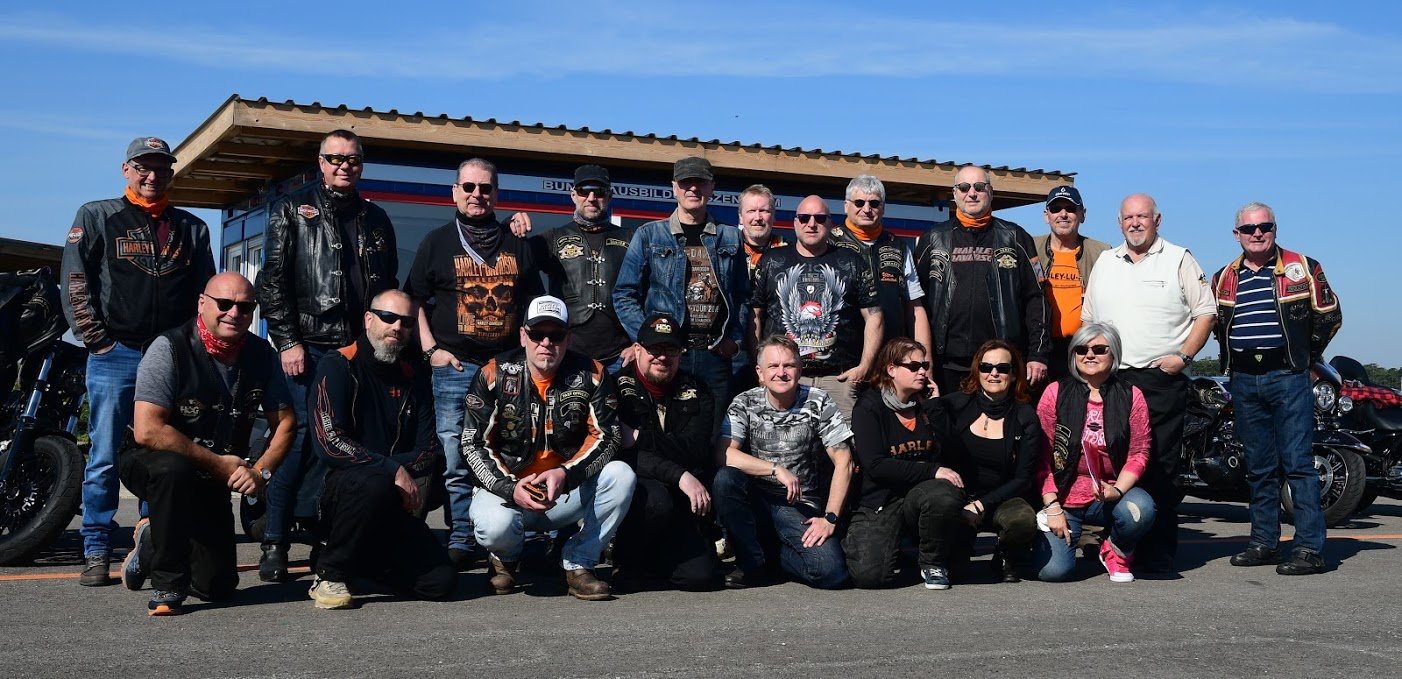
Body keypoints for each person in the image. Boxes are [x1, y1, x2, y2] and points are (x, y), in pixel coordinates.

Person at [61, 136, 216, 586]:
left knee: (163, 448)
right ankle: (95, 546)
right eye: (143, 167)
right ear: (126, 170)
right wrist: (97, 340)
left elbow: (204, 293)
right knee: (105, 453)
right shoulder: (97, 215)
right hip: (116, 353)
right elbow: (75, 278)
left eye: (161, 168)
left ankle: (150, 537)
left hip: (170, 357)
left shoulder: (191, 227)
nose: (152, 176)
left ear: (171, 173)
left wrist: (194, 347)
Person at [254, 128, 401, 582]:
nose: (344, 166)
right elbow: (271, 281)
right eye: (335, 158)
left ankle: (329, 540)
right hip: (311, 346)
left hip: (359, 350)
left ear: (361, 164)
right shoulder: (291, 209)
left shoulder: (376, 218)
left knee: (348, 444)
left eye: (352, 159)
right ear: (321, 163)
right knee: (298, 440)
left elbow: (388, 286)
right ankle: (274, 541)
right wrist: (287, 341)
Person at [118, 273, 294, 615]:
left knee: (218, 586)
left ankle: (154, 540)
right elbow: (148, 430)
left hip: (212, 473)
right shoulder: (169, 348)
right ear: (202, 303)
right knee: (173, 469)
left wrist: (260, 472)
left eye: (245, 307)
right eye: (224, 304)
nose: (234, 313)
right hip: (151, 462)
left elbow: (286, 423)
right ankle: (168, 585)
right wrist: (217, 463)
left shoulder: (262, 355)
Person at [405, 157, 544, 570]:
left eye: (485, 188)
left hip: (507, 368)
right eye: (468, 187)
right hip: (455, 367)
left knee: (513, 447)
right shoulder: (436, 242)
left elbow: (534, 306)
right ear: (455, 192)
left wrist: (527, 357)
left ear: (496, 194)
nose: (476, 195)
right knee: (456, 456)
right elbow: (414, 300)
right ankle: (462, 537)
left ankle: (515, 533)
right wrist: (431, 350)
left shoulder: (516, 241)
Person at [462, 296, 633, 601]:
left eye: (555, 335)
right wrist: (510, 487)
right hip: (510, 490)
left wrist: (566, 474)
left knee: (621, 475)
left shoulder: (592, 373)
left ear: (568, 338)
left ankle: (579, 563)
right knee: (494, 526)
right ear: (522, 336)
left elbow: (608, 437)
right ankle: (505, 559)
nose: (546, 343)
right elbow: (472, 443)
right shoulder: (493, 373)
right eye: (537, 334)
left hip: (564, 493)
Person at [1082, 193, 1215, 574]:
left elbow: (1206, 313)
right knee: (1111, 462)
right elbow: (1089, 319)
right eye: (1128, 218)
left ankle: (1157, 551)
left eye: (1142, 216)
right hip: (1112, 378)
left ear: (1157, 220)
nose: (1135, 223)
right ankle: (1116, 543)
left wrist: (1183, 357)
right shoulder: (1106, 262)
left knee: (1159, 465)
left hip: (1160, 379)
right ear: (1119, 222)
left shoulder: (1179, 258)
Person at [1211, 202, 1342, 576]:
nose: (1257, 233)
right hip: (1243, 378)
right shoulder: (1223, 277)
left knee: (1298, 464)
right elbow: (1216, 325)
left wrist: (1303, 357)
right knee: (1259, 468)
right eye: (1249, 228)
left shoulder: (1304, 267)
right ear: (1236, 234)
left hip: (1288, 375)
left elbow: (1330, 316)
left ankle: (1309, 549)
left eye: (1264, 226)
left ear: (1275, 229)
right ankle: (1264, 543)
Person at [306, 289, 455, 609]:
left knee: (439, 581)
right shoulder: (338, 365)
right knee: (373, 483)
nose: (397, 327)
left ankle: (362, 564)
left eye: (406, 322)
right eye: (388, 318)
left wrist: (393, 472)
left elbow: (429, 449)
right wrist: (391, 469)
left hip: (391, 500)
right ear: (368, 320)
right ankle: (329, 571)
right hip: (340, 494)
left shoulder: (414, 377)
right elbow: (329, 442)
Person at [614, 156, 748, 424]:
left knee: (713, 434)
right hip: (667, 356)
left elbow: (743, 296)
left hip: (714, 356)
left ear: (712, 187)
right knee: (665, 429)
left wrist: (734, 340)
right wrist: (648, 339)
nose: (693, 188)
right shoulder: (649, 235)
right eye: (686, 182)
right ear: (674, 187)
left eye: (700, 182)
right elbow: (623, 294)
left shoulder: (731, 236)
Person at [713, 335, 852, 589]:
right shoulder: (745, 402)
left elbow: (844, 460)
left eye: (788, 365)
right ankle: (752, 563)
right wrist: (775, 469)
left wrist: (830, 518)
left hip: (800, 505)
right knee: (725, 479)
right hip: (757, 501)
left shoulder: (818, 401)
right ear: (760, 373)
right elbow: (724, 454)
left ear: (799, 369)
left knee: (831, 572)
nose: (781, 373)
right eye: (773, 366)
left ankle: (768, 560)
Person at [1033, 323, 1156, 583]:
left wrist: (1118, 490)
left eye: (1099, 349)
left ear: (1114, 354)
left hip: (1110, 495)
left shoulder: (1131, 395)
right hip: (1064, 497)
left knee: (1141, 509)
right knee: (1054, 572)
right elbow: (1041, 457)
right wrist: (1052, 505)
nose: (1089, 355)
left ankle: (1115, 550)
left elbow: (1139, 452)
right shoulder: (1055, 392)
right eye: (1081, 349)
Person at [915, 165, 1049, 395]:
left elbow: (1038, 299)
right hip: (946, 364)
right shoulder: (933, 238)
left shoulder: (1016, 237)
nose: (972, 193)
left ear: (991, 192)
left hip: (1000, 364)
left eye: (979, 187)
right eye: (964, 187)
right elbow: (914, 303)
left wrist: (1038, 354)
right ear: (954, 194)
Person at [611, 313, 721, 591]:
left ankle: (654, 559)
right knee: (654, 497)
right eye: (655, 349)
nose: (662, 357)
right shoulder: (613, 389)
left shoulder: (698, 389)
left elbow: (696, 449)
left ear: (681, 353)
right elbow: (621, 455)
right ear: (637, 350)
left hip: (685, 496)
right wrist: (678, 473)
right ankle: (627, 561)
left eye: (671, 350)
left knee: (700, 578)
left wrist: (639, 437)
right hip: (644, 493)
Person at [749, 194, 883, 421]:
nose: (811, 224)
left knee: (844, 440)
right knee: (784, 439)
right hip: (784, 377)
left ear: (830, 224)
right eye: (804, 217)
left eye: (820, 218)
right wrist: (761, 368)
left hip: (838, 379)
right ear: (795, 222)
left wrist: (864, 367)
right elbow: (754, 316)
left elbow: (874, 316)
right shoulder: (771, 261)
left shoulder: (851, 261)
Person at [842, 338, 962, 590]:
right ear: (891, 369)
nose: (922, 371)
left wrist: (934, 406)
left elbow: (954, 453)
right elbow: (875, 465)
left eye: (925, 365)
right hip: (883, 498)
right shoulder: (869, 407)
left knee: (942, 495)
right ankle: (894, 544)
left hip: (924, 496)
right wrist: (932, 469)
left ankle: (932, 562)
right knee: (869, 576)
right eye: (914, 366)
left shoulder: (928, 405)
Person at [938, 340, 1041, 583]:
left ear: (1013, 375)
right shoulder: (958, 404)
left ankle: (1005, 554)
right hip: (960, 498)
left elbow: (1023, 478)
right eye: (986, 367)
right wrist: (931, 400)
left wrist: (980, 505)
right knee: (956, 570)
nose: (993, 373)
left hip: (1003, 497)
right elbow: (931, 419)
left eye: (1002, 368)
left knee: (1022, 521)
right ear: (978, 371)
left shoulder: (1025, 416)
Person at [532, 165, 636, 372]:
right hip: (567, 353)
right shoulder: (552, 238)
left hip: (620, 355)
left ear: (609, 196)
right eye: (583, 191)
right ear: (573, 195)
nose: (591, 198)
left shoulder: (630, 239)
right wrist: (509, 224)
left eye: (599, 192)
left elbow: (650, 292)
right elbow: (512, 266)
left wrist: (640, 342)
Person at [829, 175, 930, 351]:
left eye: (874, 203)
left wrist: (925, 358)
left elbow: (914, 308)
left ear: (883, 208)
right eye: (859, 203)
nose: (866, 209)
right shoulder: (829, 243)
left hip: (890, 353)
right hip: (843, 353)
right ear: (846, 206)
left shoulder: (898, 246)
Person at [1032, 186, 1110, 383]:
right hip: (1040, 350)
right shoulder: (1031, 248)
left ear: (1082, 215)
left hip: (1084, 350)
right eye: (1056, 209)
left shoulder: (1102, 253)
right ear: (1046, 215)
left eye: (1070, 209)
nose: (1063, 214)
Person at [738, 185, 786, 283]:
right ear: (741, 217)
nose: (757, 218)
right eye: (751, 211)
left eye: (763, 211)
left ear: (773, 216)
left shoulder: (788, 251)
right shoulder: (726, 250)